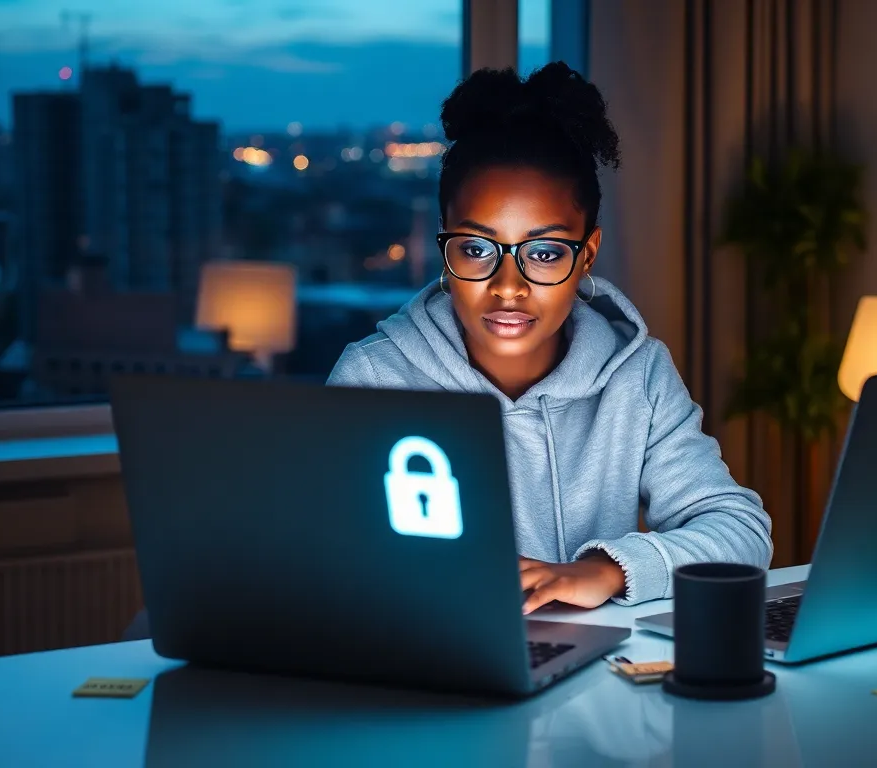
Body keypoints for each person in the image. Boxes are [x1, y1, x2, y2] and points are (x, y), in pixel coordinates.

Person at [327, 63, 771, 614]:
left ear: (587, 254)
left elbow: (740, 531)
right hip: (429, 657)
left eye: (543, 253)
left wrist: (604, 570)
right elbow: (323, 561)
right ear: (444, 247)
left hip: (598, 662)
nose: (508, 286)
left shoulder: (638, 376)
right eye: (476, 248)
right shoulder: (374, 379)